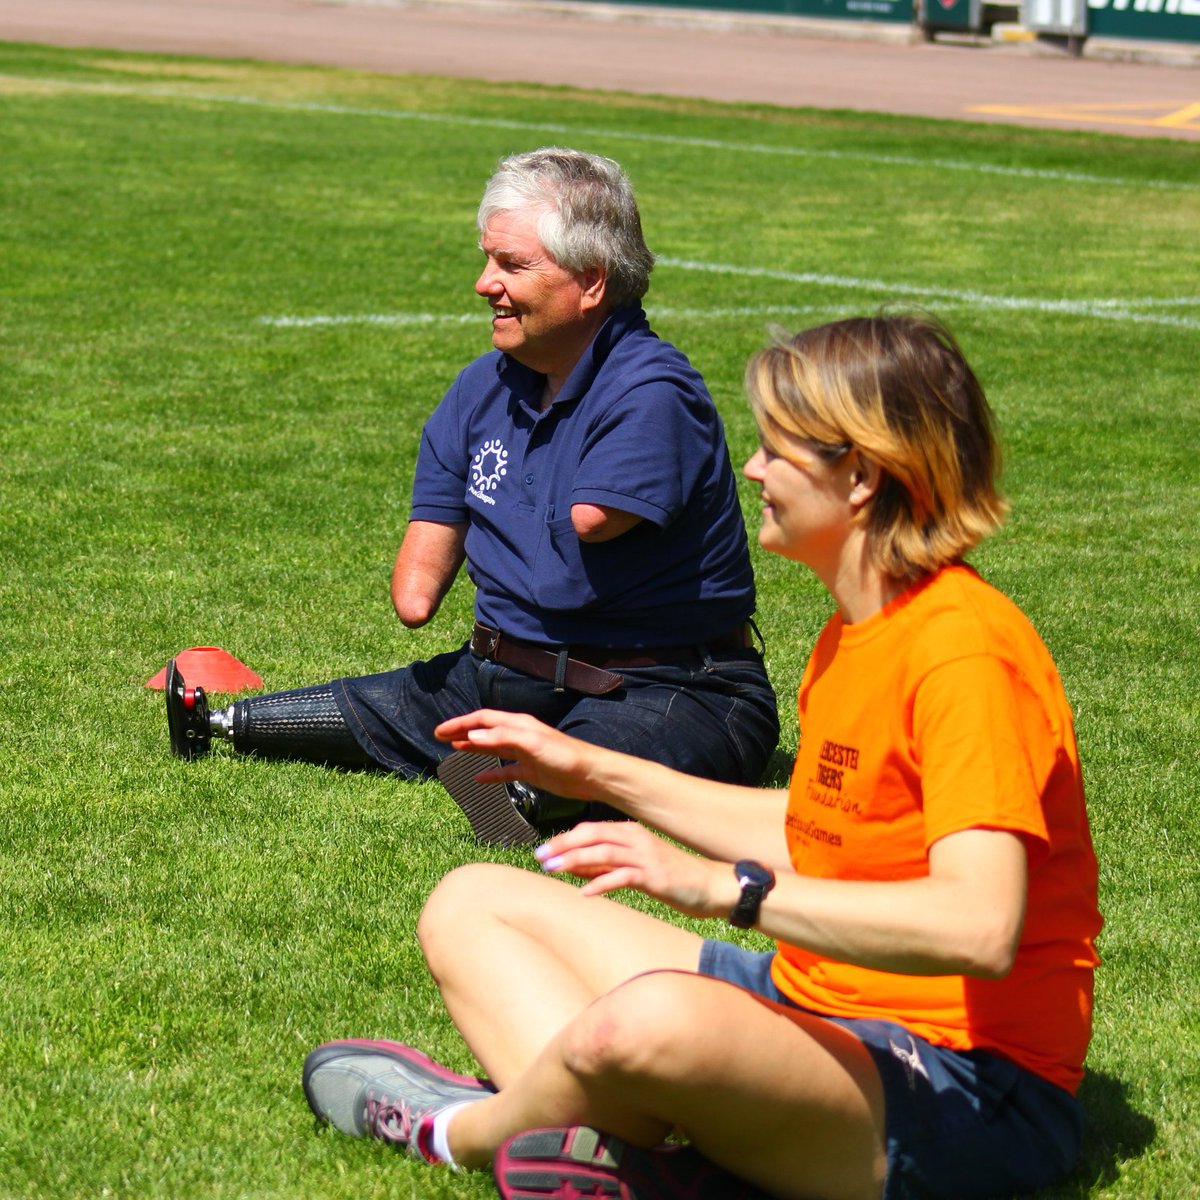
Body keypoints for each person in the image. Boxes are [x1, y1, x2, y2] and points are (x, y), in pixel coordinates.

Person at [301, 312, 1103, 1200]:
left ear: (863, 476)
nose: (752, 469)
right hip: (819, 1004)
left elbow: (978, 929)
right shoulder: (857, 633)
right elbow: (821, 826)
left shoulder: (964, 651)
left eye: (778, 449)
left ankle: (457, 1129)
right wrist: (590, 769)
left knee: (646, 1021)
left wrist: (728, 888)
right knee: (473, 903)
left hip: (963, 1086)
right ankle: (623, 1154)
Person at [165, 147, 779, 844]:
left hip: (670, 690)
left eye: (512, 265)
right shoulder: (480, 389)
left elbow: (591, 524)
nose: (485, 284)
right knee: (385, 705)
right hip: (502, 677)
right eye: (488, 259)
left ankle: (523, 791)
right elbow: (414, 599)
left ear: (591, 283)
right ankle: (221, 720)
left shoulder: (652, 390)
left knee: (599, 755)